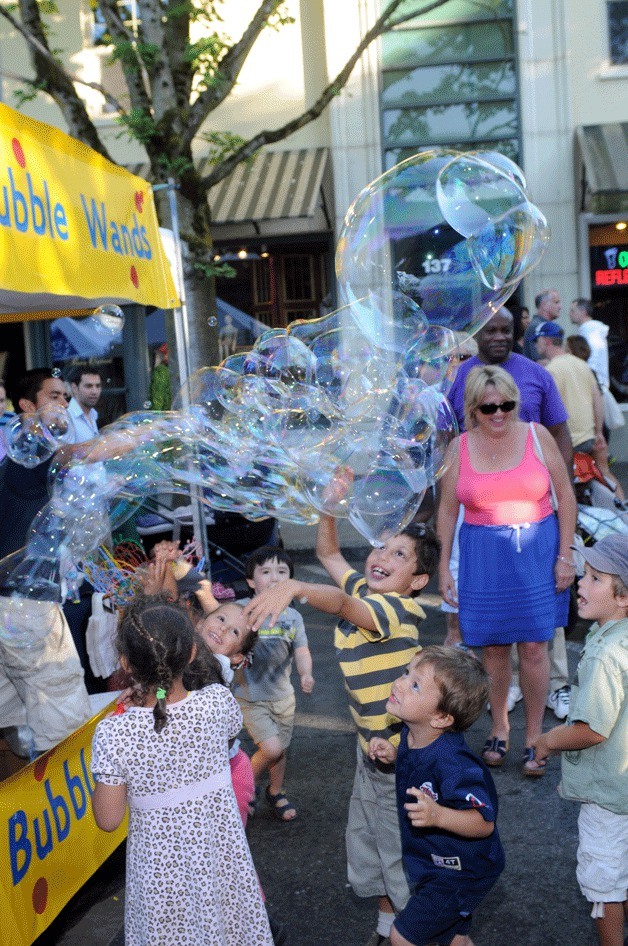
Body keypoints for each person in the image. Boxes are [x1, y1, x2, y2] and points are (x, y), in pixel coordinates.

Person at [244, 518, 440, 946]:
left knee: (398, 852)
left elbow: (338, 603)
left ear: (418, 580)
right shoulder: (369, 591)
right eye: (382, 547)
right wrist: (328, 509)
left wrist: (295, 588)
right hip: (369, 749)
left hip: (398, 759)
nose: (382, 557)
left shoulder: (396, 609)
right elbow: (329, 555)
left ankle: (426, 934)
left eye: (399, 555)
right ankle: (388, 928)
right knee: (370, 841)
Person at [91, 595, 273, 946]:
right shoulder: (217, 702)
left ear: (126, 663)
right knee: (227, 927)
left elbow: (108, 819)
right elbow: (207, 718)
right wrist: (156, 695)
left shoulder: (115, 733)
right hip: (219, 859)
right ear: (192, 653)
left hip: (162, 875)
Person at [437, 365, 577, 776]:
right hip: (482, 557)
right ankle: (500, 726)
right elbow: (447, 511)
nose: (498, 414)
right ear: (473, 409)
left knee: (535, 647)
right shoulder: (459, 448)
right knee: (494, 649)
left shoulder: (537, 435)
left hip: (537, 552)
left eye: (507, 405)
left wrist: (565, 555)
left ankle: (535, 736)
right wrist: (444, 566)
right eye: (488, 407)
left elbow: (565, 496)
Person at [369, 646, 505, 946]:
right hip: (436, 862)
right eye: (407, 673)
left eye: (415, 684)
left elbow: (484, 822)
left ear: (441, 718)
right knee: (454, 935)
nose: (400, 683)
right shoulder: (411, 734)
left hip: (461, 872)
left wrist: (439, 815)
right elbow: (419, 770)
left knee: (402, 937)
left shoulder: (454, 764)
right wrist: (393, 757)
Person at [534, 535, 628, 946]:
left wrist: (547, 739)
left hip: (608, 794)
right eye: (584, 575)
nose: (581, 584)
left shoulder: (605, 654)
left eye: (594, 579)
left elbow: (591, 729)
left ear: (623, 597)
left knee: (604, 881)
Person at [233, 546, 314, 822]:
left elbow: (301, 649)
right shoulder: (243, 611)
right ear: (251, 582)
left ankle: (275, 790)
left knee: (280, 749)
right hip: (249, 695)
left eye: (282, 572)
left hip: (283, 697)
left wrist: (306, 673)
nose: (275, 577)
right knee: (271, 749)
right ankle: (242, 788)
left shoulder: (293, 617)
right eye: (266, 572)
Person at [191, 602, 259, 826]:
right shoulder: (184, 652)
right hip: (201, 771)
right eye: (221, 619)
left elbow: (166, 688)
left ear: (237, 657)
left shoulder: (216, 666)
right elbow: (162, 688)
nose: (222, 629)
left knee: (227, 840)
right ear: (200, 623)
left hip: (231, 772)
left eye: (234, 631)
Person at [535, 322, 605, 457]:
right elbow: (598, 400)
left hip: (567, 442)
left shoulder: (550, 371)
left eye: (537, 340)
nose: (535, 344)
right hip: (589, 439)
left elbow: (548, 410)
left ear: (547, 341)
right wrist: (598, 432)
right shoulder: (582, 364)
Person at [568, 298, 610, 390]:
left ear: (583, 312)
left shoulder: (592, 334)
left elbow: (592, 362)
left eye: (572, 310)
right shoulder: (589, 332)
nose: (569, 314)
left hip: (594, 387)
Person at [522, 287, 562, 361]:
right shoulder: (537, 327)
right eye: (556, 302)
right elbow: (541, 362)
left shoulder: (542, 326)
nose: (560, 306)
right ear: (544, 305)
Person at [66, 365, 102, 443]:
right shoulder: (67, 417)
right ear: (74, 388)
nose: (94, 391)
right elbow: (64, 453)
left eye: (98, 386)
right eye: (89, 386)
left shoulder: (93, 414)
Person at [149, 343, 172, 411]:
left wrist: (156, 414)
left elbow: (158, 394)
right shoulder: (172, 370)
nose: (156, 358)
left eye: (159, 355)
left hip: (162, 413)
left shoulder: (161, 370)